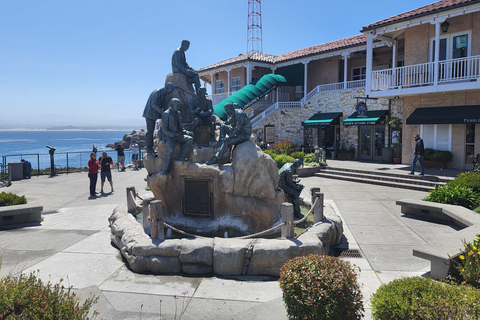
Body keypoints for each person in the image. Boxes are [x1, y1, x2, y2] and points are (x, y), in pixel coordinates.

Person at [161, 98, 194, 175]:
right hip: (169, 136)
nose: (178, 107)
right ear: (172, 105)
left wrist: (187, 132)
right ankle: (165, 169)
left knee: (190, 139)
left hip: (178, 135)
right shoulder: (166, 114)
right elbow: (164, 130)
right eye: (177, 105)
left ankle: (181, 156)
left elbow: (180, 127)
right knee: (170, 148)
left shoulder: (178, 113)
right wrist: (172, 135)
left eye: (179, 105)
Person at [143, 83, 176, 156]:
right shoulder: (157, 92)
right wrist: (163, 112)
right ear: (167, 88)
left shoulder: (167, 95)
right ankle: (149, 149)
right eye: (171, 90)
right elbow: (153, 104)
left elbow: (165, 106)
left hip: (158, 113)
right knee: (150, 131)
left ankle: (163, 142)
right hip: (150, 113)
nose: (171, 92)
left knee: (167, 123)